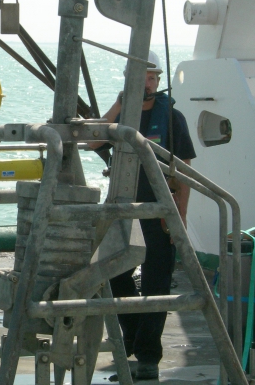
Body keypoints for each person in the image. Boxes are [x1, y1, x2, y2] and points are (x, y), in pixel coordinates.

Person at [101, 50, 196, 380]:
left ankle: (147, 358)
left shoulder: (173, 118)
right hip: (122, 209)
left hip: (158, 211)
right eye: (142, 78)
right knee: (113, 272)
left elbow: (185, 171)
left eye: (153, 78)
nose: (149, 84)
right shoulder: (120, 117)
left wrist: (178, 216)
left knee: (156, 281)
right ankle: (134, 337)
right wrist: (118, 105)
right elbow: (94, 140)